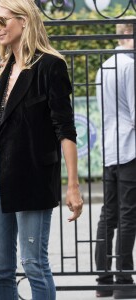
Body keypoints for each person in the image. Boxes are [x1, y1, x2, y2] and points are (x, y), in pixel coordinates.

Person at [0, 0, 83, 299]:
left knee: (33, 263)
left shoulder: (50, 65)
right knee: (0, 268)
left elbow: (65, 129)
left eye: (2, 20)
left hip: (33, 173)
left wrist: (73, 185)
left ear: (24, 21)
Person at [95, 16, 136, 299]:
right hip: (129, 147)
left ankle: (102, 279)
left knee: (108, 215)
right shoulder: (130, 66)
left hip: (109, 147)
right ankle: (124, 279)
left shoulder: (103, 66)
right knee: (128, 213)